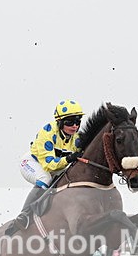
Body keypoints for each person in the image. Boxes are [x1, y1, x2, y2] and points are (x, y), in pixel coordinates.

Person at [8, 99, 85, 234]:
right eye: (69, 122)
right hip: (33, 163)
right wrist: (69, 158)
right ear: (59, 122)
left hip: (56, 167)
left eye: (77, 122)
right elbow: (50, 166)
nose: (74, 126)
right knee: (45, 178)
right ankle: (24, 215)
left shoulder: (77, 138)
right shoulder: (47, 133)